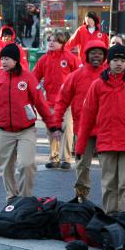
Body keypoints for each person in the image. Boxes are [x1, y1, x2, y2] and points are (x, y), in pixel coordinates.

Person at [75, 44, 125, 214]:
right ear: (108, 62)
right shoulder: (98, 85)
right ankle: (111, 216)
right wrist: (80, 147)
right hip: (106, 142)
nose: (118, 63)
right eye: (115, 60)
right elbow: (86, 118)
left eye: (122, 60)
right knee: (109, 184)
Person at [0, 44, 56, 201]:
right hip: (4, 131)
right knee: (6, 168)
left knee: (27, 164)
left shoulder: (28, 78)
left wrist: (52, 126)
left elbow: (41, 103)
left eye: (7, 58)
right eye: (2, 59)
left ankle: (25, 198)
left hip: (26, 130)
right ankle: (12, 198)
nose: (3, 62)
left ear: (16, 60)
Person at [52, 40, 108, 200]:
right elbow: (62, 100)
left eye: (100, 53)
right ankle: (81, 197)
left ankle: (111, 203)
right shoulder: (76, 76)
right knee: (82, 166)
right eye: (93, 53)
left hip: (106, 130)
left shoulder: (109, 75)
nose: (96, 56)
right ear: (87, 55)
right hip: (83, 130)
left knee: (108, 168)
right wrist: (56, 123)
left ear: (104, 56)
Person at [32, 32, 81, 170]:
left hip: (67, 101)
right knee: (51, 130)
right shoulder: (43, 59)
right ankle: (54, 158)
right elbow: (34, 76)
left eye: (55, 41)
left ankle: (66, 158)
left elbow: (80, 76)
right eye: (50, 40)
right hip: (50, 101)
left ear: (62, 43)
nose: (51, 43)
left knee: (66, 129)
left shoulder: (71, 58)